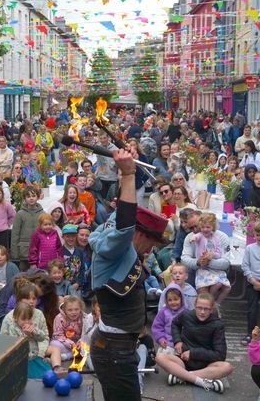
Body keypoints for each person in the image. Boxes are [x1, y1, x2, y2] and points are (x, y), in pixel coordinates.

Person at [88, 147, 169, 401]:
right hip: (113, 350)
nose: (151, 249)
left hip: (121, 347)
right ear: (138, 234)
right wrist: (128, 173)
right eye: (151, 242)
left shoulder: (124, 250)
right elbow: (123, 224)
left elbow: (120, 219)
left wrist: (127, 168)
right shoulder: (115, 251)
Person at [156, 293, 232, 393]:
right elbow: (175, 323)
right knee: (159, 357)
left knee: (227, 367)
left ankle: (182, 376)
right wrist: (177, 341)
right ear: (195, 305)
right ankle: (201, 381)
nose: (202, 312)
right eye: (199, 308)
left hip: (206, 365)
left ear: (211, 309)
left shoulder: (217, 325)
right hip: (182, 362)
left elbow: (220, 355)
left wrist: (192, 353)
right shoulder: (186, 315)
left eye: (206, 309)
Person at [1, 301, 53, 379]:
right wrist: (25, 335)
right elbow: (15, 344)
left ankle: (45, 363)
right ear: (15, 319)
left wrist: (36, 333)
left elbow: (42, 338)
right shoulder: (13, 328)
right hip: (20, 360)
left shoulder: (33, 326)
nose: (27, 322)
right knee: (27, 376)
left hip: (33, 357)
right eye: (23, 319)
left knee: (46, 373)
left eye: (29, 319)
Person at [189, 213, 231, 308]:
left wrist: (213, 255)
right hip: (203, 269)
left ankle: (216, 304)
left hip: (214, 268)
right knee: (215, 285)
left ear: (213, 227)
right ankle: (209, 300)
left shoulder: (216, 238)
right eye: (203, 227)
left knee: (226, 287)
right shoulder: (200, 235)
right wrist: (192, 238)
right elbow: (196, 237)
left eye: (208, 227)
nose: (205, 229)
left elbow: (219, 253)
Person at [11, 186, 43, 272]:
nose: (31, 198)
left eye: (33, 196)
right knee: (24, 276)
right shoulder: (20, 214)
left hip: (39, 251)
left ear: (38, 197)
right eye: (28, 196)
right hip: (24, 252)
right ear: (24, 198)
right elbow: (15, 234)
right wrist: (15, 255)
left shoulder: (42, 214)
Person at [152, 284, 188, 356]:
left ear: (181, 299)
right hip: (167, 342)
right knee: (163, 355)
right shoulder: (163, 311)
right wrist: (161, 338)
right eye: (170, 300)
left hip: (183, 343)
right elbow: (157, 327)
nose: (173, 302)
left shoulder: (186, 311)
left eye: (176, 299)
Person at [51, 295, 86, 361]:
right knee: (54, 344)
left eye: (76, 309)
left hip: (80, 343)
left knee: (90, 344)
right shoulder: (59, 318)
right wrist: (71, 344)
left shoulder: (84, 317)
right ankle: (78, 354)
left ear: (80, 308)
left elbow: (87, 332)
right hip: (65, 343)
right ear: (64, 310)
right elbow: (58, 335)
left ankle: (69, 355)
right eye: (70, 310)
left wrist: (81, 342)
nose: (73, 312)